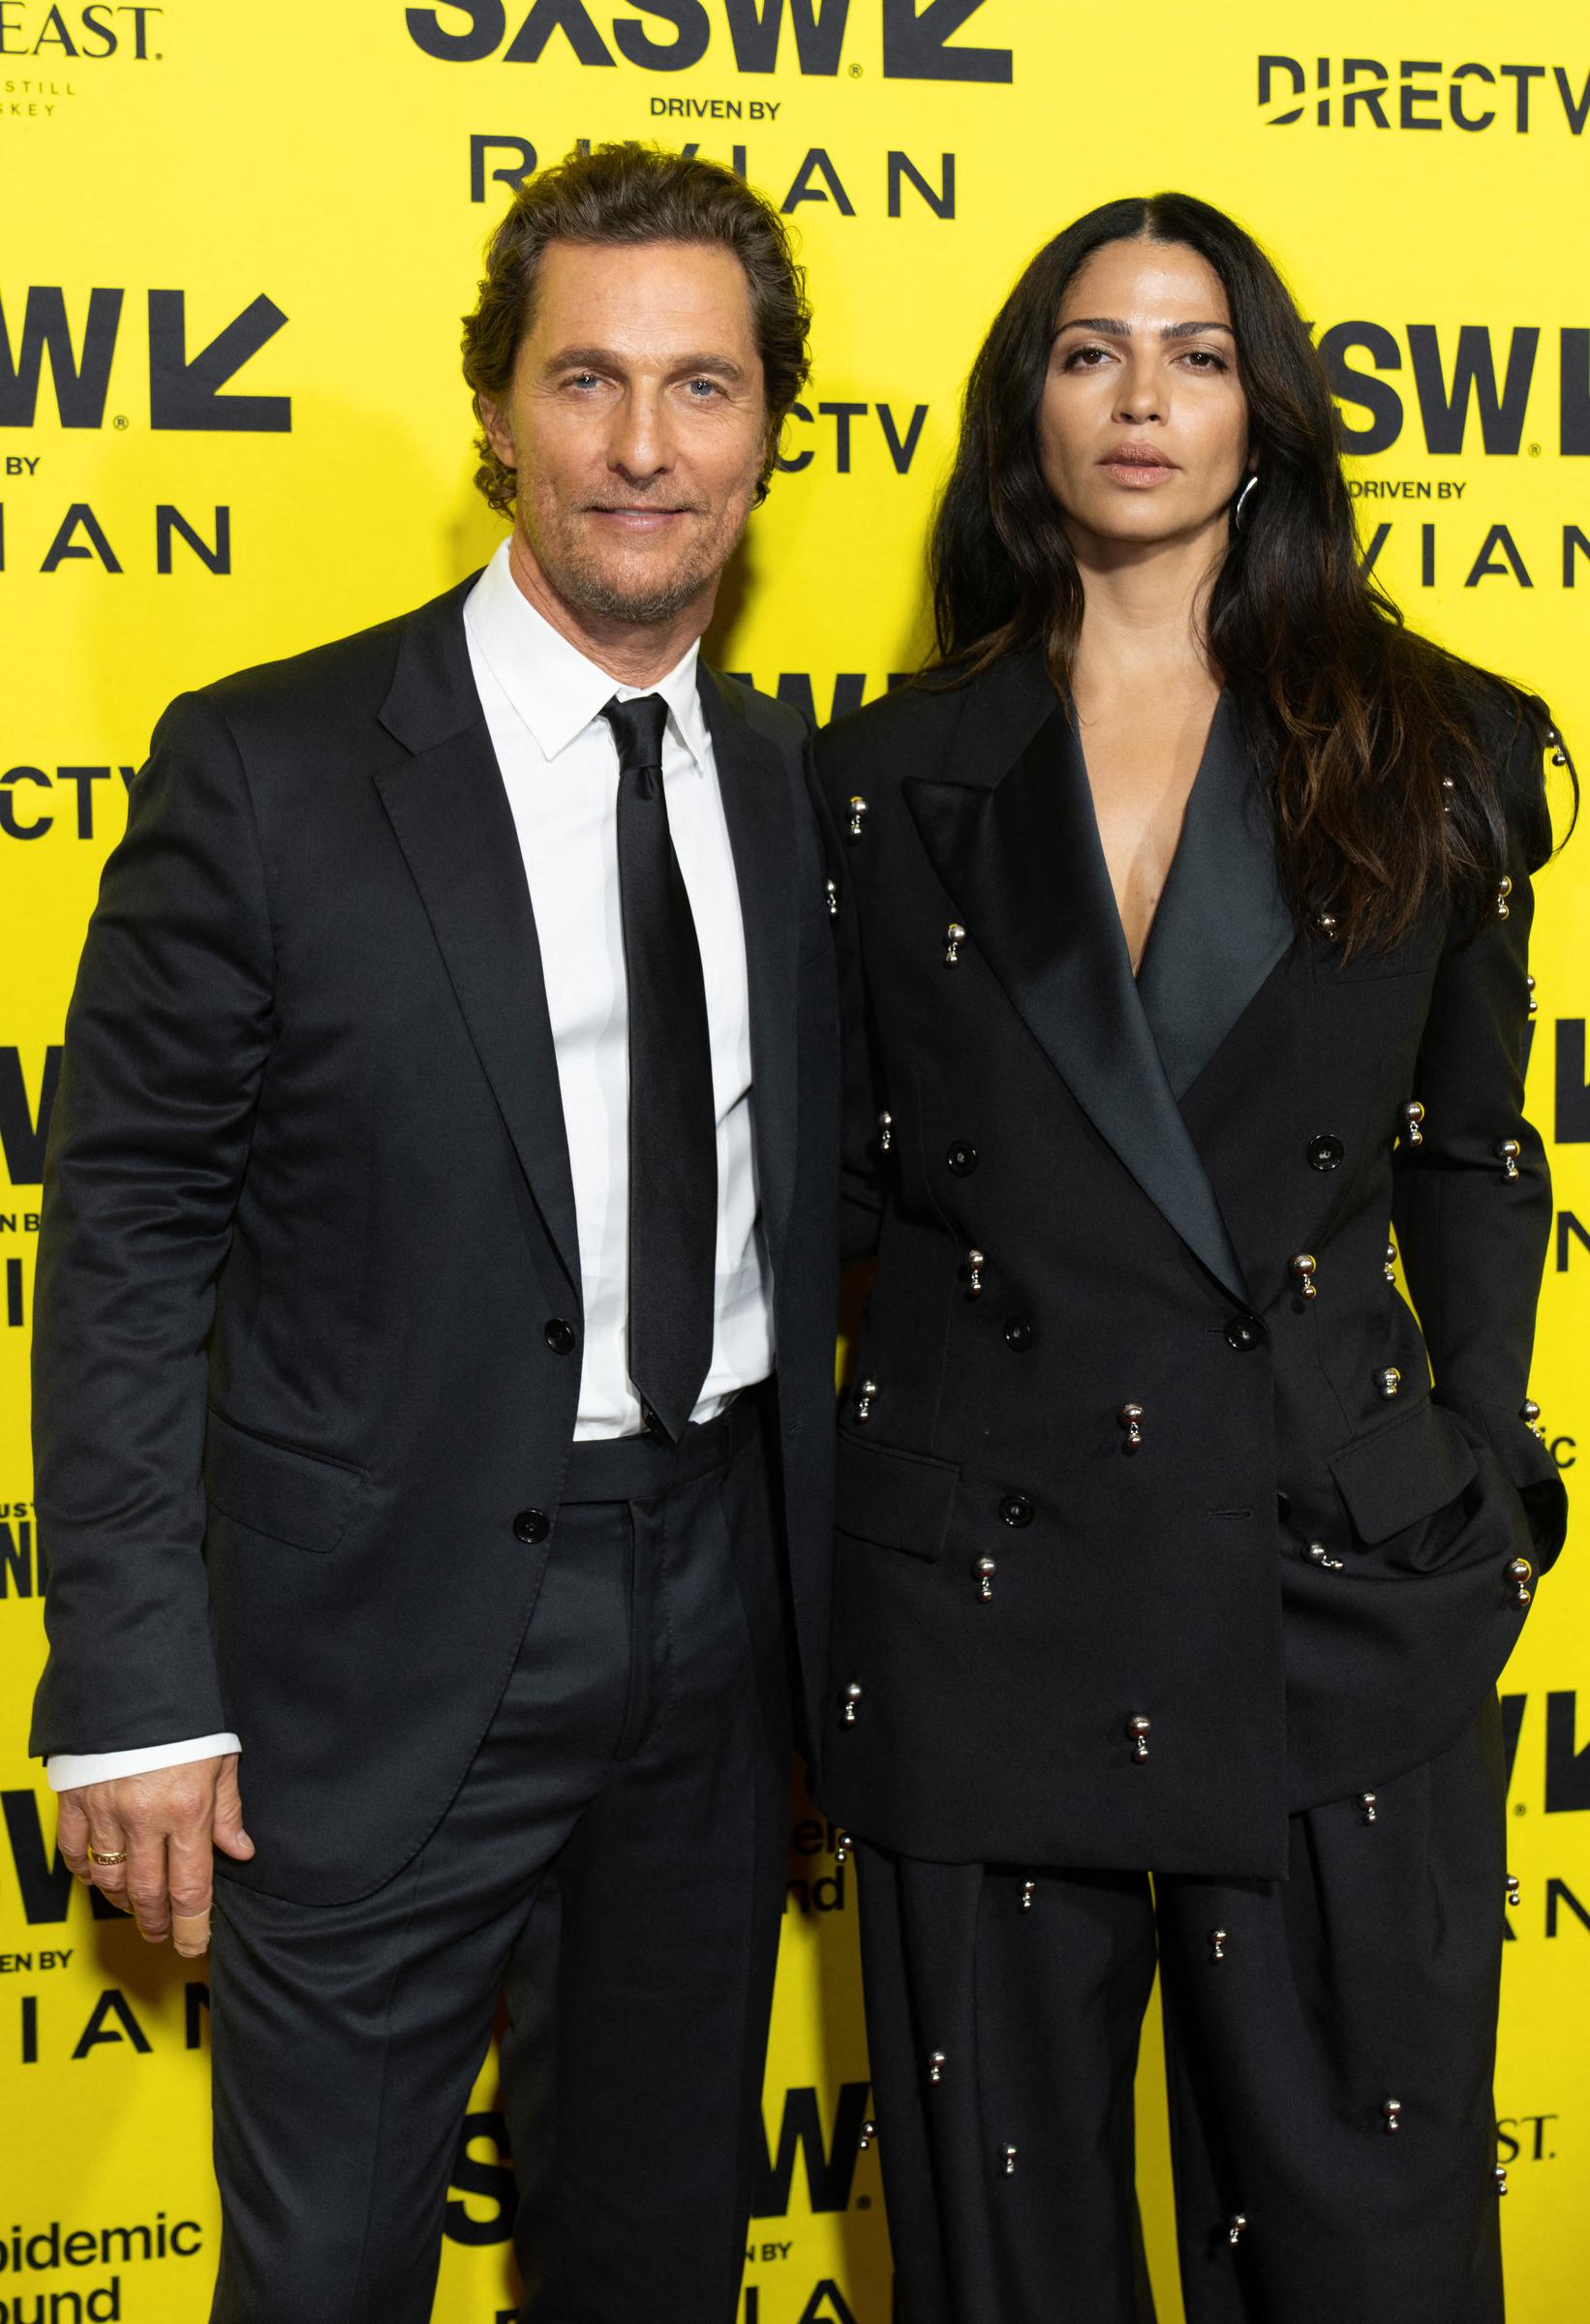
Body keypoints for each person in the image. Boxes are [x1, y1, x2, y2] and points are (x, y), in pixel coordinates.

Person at [31, 143, 841, 2324]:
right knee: (324, 2281)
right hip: (365, 1655)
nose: (645, 447)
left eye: (702, 387)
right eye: (587, 380)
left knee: (656, 2256)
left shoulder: (790, 782)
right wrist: (126, 1690)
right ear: (493, 405)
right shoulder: (273, 768)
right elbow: (122, 1231)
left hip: (720, 1618)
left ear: (772, 424)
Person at [816, 192, 1572, 2324]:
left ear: (1266, 410)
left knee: (1364, 2248)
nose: (1138, 397)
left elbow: (1465, 1152)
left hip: (1327, 1579)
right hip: (981, 1589)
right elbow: (845, 1207)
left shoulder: (1439, 748)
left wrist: (1486, 1492)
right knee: (1007, 2258)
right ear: (1021, 408)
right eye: (1084, 350)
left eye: (1194, 349)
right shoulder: (883, 781)